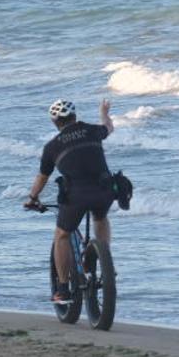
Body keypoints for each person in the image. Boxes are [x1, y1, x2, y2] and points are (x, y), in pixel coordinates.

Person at [24, 98, 115, 304]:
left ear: (55, 122)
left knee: (62, 235)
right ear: (75, 117)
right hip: (105, 190)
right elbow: (109, 127)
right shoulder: (93, 131)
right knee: (100, 217)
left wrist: (32, 198)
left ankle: (63, 290)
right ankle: (102, 260)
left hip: (76, 196)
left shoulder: (52, 147)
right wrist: (103, 112)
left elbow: (42, 177)